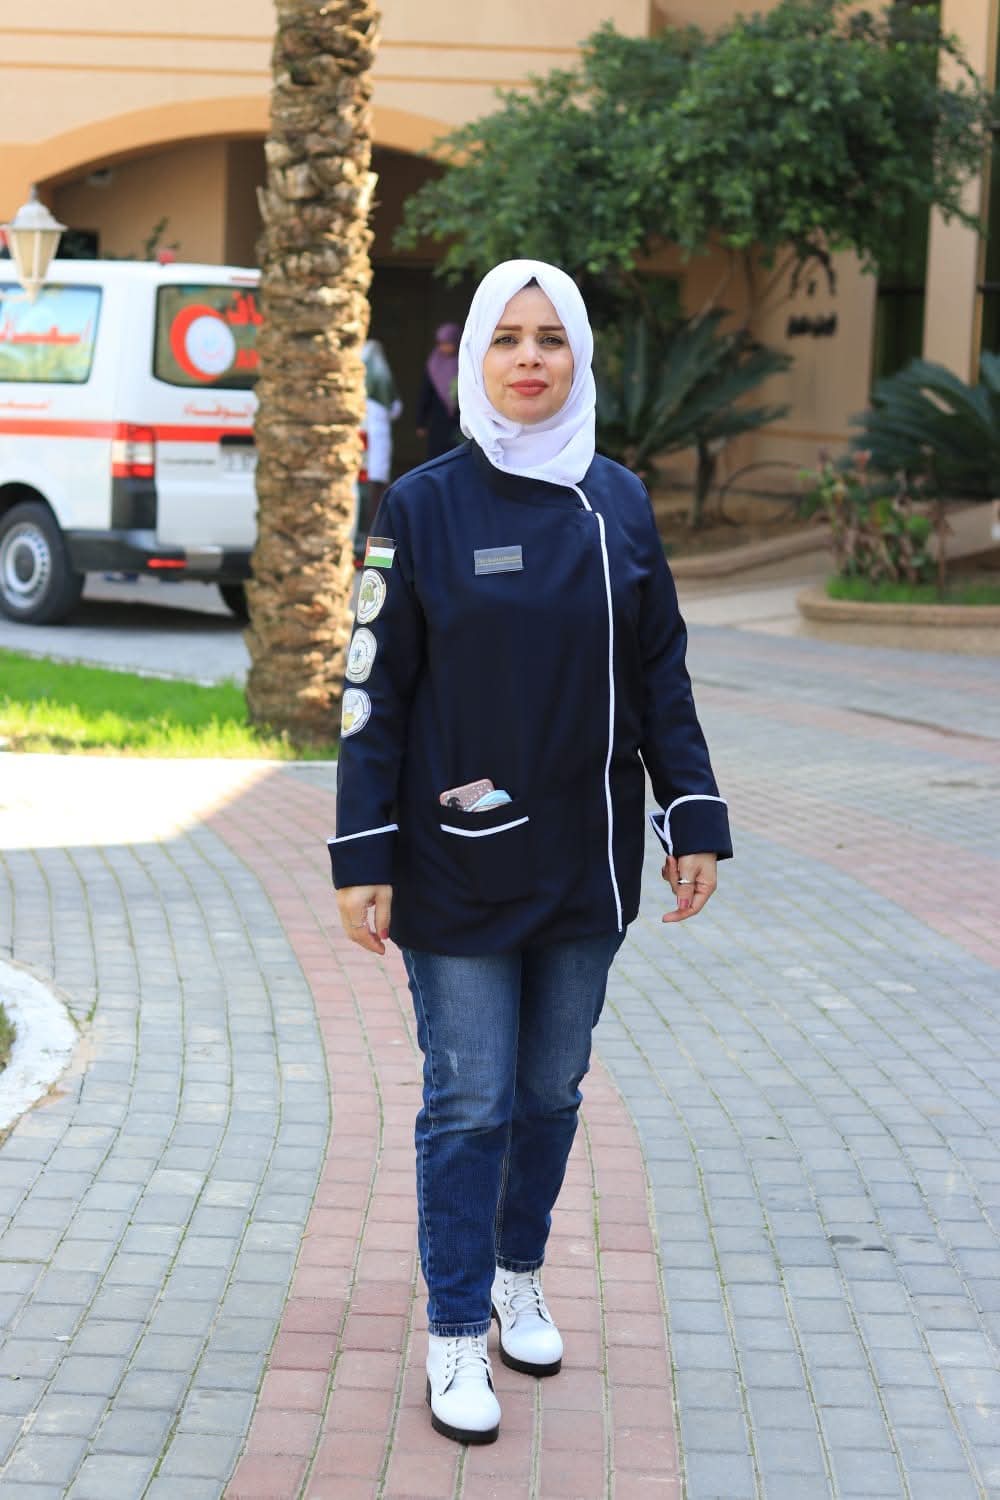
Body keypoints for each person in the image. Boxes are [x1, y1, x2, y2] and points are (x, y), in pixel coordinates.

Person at [330, 260, 732, 1447]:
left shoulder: (618, 502)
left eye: (551, 338)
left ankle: (517, 1275)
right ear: (474, 359)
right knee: (470, 1100)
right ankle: (455, 1329)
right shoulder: (423, 507)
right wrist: (362, 850)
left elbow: (660, 675)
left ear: (578, 359)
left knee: (550, 1090)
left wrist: (692, 814)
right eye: (506, 337)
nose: (529, 358)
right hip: (455, 858)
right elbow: (372, 695)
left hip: (585, 861)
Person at [355, 338, 402, 564]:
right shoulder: (383, 390)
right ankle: (378, 562)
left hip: (361, 462)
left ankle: (363, 557)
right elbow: (396, 409)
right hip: (377, 462)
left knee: (362, 507)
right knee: (379, 510)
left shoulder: (354, 397)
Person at [415, 322, 462, 459]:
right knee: (437, 456)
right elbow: (425, 394)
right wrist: (421, 422)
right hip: (438, 420)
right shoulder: (433, 364)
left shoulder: (466, 362)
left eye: (448, 343)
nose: (444, 347)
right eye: (441, 343)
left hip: (459, 422)